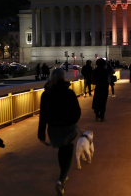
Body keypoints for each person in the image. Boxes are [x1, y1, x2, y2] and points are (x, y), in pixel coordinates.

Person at [38, 68, 81, 196]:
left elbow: (43, 116)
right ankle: (61, 180)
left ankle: (63, 175)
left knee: (61, 148)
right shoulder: (69, 93)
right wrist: (73, 121)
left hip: (53, 128)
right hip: (68, 126)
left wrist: (41, 133)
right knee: (67, 149)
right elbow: (77, 111)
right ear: (63, 77)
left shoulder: (46, 94)